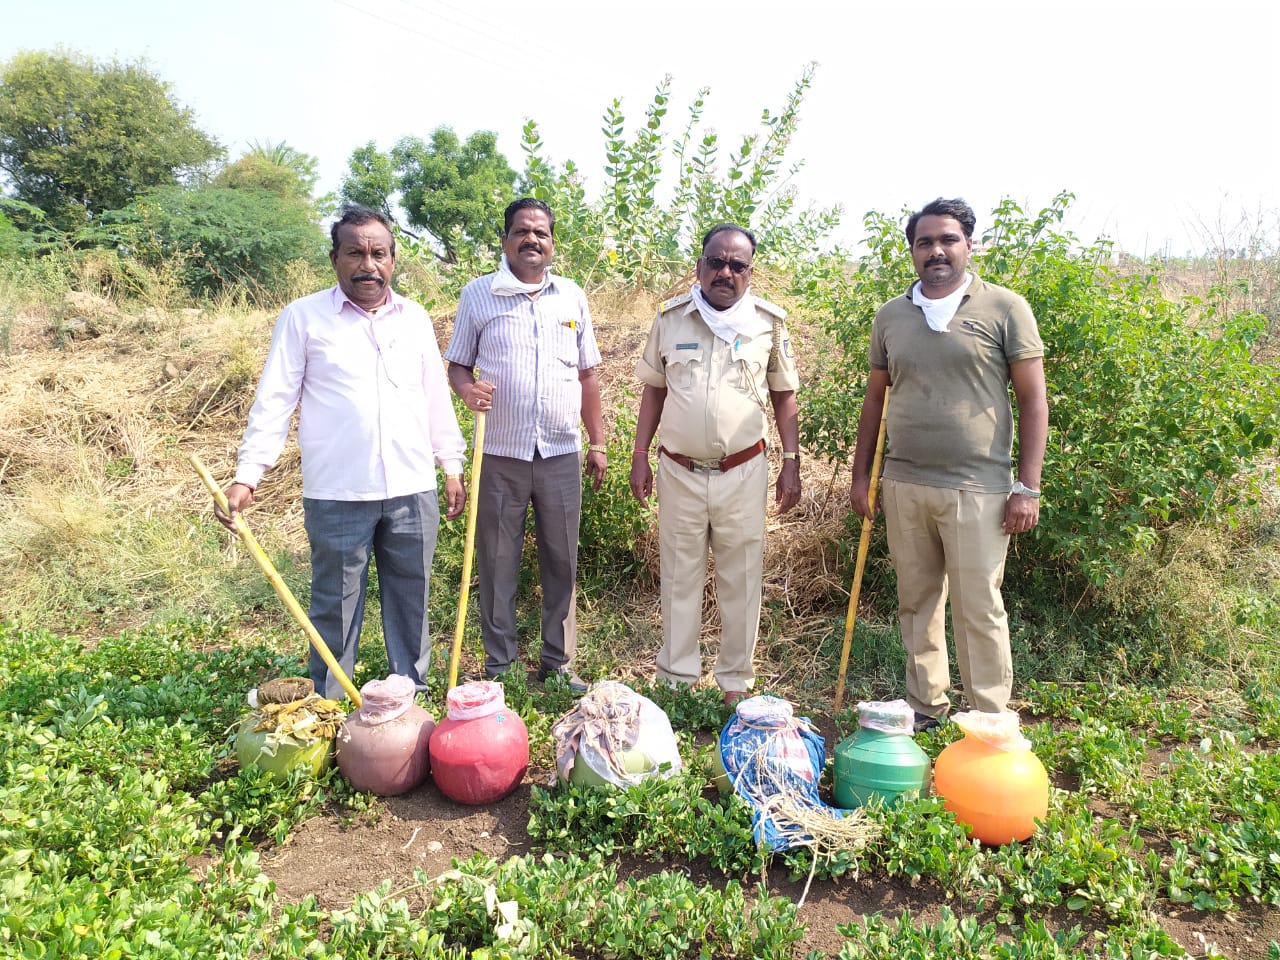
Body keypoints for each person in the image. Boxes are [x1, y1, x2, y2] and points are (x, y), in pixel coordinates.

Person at [215, 204, 466, 699]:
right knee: (336, 602)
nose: (367, 264)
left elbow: (434, 395)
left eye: (378, 253)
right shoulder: (303, 318)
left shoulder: (413, 318)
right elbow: (275, 401)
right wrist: (248, 475)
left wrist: (451, 464)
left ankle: (408, 694)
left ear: (393, 260)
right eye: (355, 253)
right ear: (335, 259)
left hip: (412, 487)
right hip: (338, 491)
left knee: (411, 597)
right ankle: (330, 701)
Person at [848, 197, 1048, 731]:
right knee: (916, 601)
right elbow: (875, 400)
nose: (936, 251)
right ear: (912, 251)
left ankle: (988, 717)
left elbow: (1033, 400)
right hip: (905, 482)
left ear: (969, 244)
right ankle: (926, 706)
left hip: (978, 487)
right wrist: (860, 475)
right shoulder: (892, 316)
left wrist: (1027, 487)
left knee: (978, 605)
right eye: (924, 242)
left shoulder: (1005, 308)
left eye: (947, 240)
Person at [629, 224, 802, 705]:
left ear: (750, 272)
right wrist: (639, 456)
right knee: (679, 577)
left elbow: (784, 396)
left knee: (741, 579)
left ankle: (734, 683)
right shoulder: (671, 319)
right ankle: (678, 682)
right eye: (716, 262)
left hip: (744, 472)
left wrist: (792, 461)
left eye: (737, 265)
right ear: (699, 266)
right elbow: (654, 391)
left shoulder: (768, 323)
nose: (725, 272)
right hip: (679, 470)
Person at [444, 198, 606, 691]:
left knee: (562, 560)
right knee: (496, 560)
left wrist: (597, 443)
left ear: (552, 242)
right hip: (500, 453)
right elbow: (456, 365)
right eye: (522, 231)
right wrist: (467, 390)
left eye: (542, 233)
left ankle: (558, 666)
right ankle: (501, 668)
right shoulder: (479, 295)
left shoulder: (572, 296)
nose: (532, 240)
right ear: (505, 239)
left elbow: (587, 374)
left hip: (560, 451)